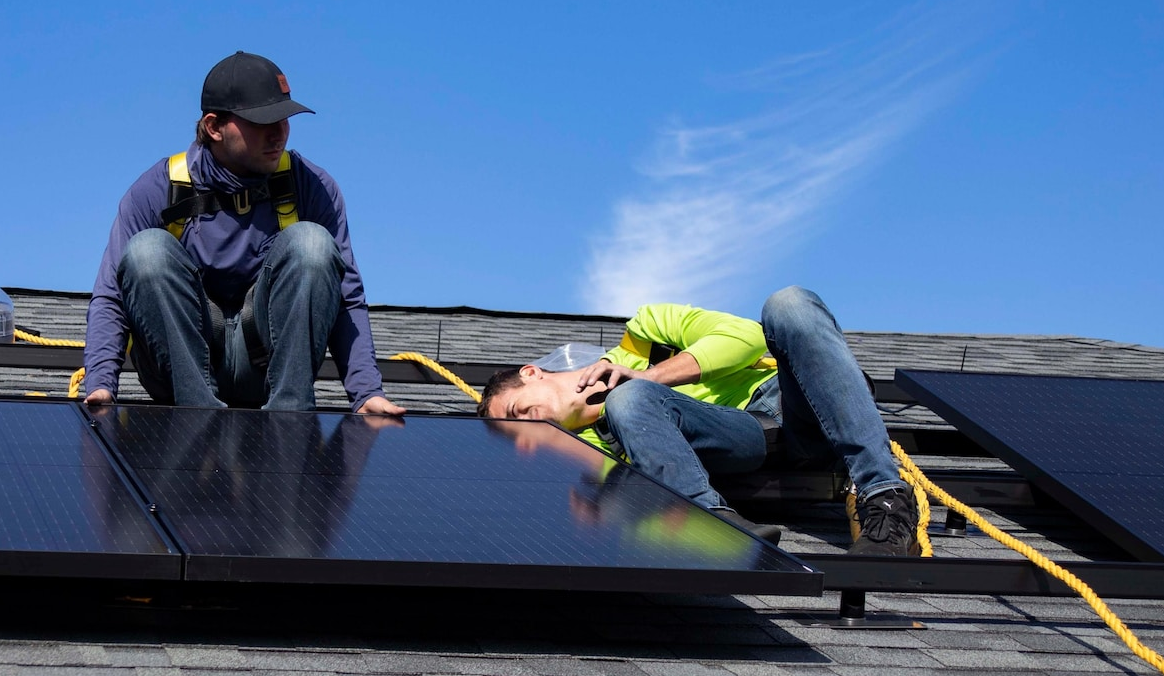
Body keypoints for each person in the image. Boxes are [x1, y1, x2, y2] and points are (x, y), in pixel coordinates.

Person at [476, 286, 922, 555]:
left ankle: (885, 501)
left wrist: (649, 375)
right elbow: (627, 505)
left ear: (531, 372)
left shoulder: (646, 331)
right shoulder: (585, 450)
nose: (526, 428)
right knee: (629, 401)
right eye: (517, 432)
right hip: (747, 438)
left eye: (517, 412)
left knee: (790, 303)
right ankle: (714, 522)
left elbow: (747, 338)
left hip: (804, 402)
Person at [82, 51, 404, 415]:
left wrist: (366, 392)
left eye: (284, 118)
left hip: (265, 367)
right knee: (147, 253)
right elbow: (111, 296)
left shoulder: (311, 187)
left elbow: (346, 297)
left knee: (312, 244)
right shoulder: (160, 189)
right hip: (182, 371)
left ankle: (289, 424)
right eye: (261, 121)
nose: (278, 132)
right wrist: (101, 383)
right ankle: (197, 420)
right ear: (214, 126)